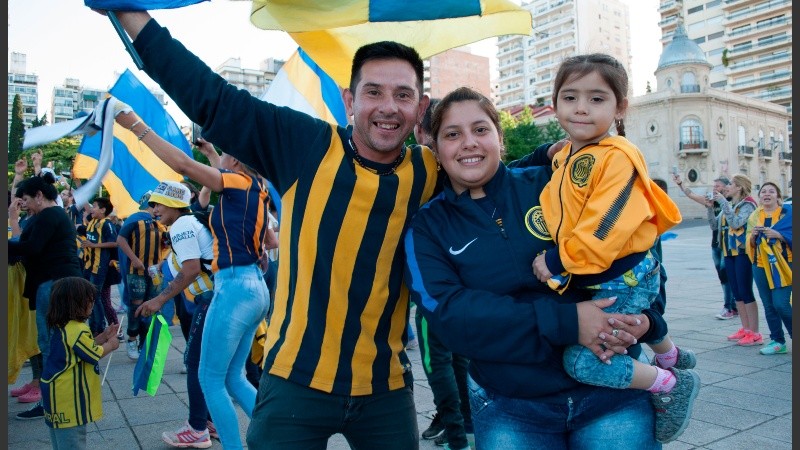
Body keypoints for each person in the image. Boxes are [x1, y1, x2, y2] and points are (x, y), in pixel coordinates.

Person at [96, 9, 441, 448]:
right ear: (349, 100)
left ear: (420, 108)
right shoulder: (307, 145)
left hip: (385, 389)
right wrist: (131, 14)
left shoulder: (431, 171)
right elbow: (214, 99)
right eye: (373, 92)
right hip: (294, 381)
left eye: (403, 95)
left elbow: (498, 179)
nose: (388, 106)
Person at [404, 86, 683, 449]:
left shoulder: (554, 182)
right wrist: (568, 322)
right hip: (510, 406)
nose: (469, 142)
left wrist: (649, 321)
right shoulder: (427, 227)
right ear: (436, 149)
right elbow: (452, 317)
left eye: (481, 129)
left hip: (613, 396)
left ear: (499, 137)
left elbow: (639, 251)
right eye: (452, 134)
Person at [530, 55, 697, 443]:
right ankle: (670, 354)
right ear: (555, 104)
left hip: (622, 277)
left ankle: (669, 383)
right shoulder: (567, 155)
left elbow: (605, 224)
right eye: (570, 97)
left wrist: (556, 260)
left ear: (620, 107)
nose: (581, 108)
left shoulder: (617, 156)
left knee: (582, 362)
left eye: (596, 99)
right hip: (603, 276)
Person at [115, 109, 272, 450]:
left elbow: (183, 166)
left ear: (236, 160)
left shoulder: (237, 182)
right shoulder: (258, 188)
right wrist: (214, 154)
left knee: (210, 379)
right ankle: (277, 441)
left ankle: (222, 440)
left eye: (225, 154)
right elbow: (271, 240)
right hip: (255, 287)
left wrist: (136, 126)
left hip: (233, 287)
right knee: (234, 377)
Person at [133, 181, 217, 448]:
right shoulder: (186, 223)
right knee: (213, 367)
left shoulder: (181, 225)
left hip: (211, 301)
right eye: (152, 205)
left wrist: (159, 299)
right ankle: (208, 420)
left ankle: (197, 428)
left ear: (173, 204)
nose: (154, 209)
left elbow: (191, 268)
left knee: (195, 363)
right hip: (216, 299)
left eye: (158, 204)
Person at [412, 98, 473, 450]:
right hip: (462, 280)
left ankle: (456, 433)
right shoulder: (460, 167)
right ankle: (462, 424)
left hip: (435, 287)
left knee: (437, 363)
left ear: (422, 132)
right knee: (458, 357)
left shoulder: (422, 168)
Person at [9, 175, 84, 420]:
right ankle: (57, 398)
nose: (24, 205)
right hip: (57, 283)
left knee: (52, 345)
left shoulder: (49, 215)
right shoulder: (51, 215)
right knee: (55, 343)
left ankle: (52, 401)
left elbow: (31, 247)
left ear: (39, 196)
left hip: (53, 284)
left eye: (26, 199)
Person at [41, 277, 120, 450]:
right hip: (69, 397)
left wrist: (103, 337)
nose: (92, 304)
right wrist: (111, 344)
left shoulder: (63, 326)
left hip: (55, 394)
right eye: (89, 300)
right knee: (72, 441)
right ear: (76, 304)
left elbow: (80, 349)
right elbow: (92, 354)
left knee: (60, 440)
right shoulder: (77, 329)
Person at [673, 175, 737, 319]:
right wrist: (680, 184)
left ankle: (728, 307)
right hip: (716, 242)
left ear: (726, 187)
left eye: (718, 186)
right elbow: (691, 194)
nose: (715, 189)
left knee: (725, 273)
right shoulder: (712, 201)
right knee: (722, 275)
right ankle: (733, 305)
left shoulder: (731, 201)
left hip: (728, 243)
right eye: (714, 186)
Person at [115, 190, 168, 360]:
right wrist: (135, 259)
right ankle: (132, 339)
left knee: (152, 305)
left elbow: (166, 244)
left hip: (154, 272)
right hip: (136, 271)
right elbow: (120, 239)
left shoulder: (161, 222)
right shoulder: (135, 219)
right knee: (136, 305)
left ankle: (145, 343)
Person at [711, 174, 760, 345]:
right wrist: (710, 207)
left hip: (743, 252)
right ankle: (745, 329)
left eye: (731, 183)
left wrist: (723, 202)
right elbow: (714, 225)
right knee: (737, 292)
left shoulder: (748, 204)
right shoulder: (733, 204)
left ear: (739, 187)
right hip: (729, 251)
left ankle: (755, 332)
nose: (727, 186)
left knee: (746, 291)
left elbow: (736, 223)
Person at [746, 182, 792, 355]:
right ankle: (777, 341)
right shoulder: (754, 216)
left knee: (781, 304)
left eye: (771, 191)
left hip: (784, 264)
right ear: (759, 197)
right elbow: (748, 242)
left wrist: (779, 235)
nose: (767, 194)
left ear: (778, 196)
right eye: (763, 191)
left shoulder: (788, 213)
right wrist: (753, 237)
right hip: (760, 265)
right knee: (768, 304)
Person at [81, 197, 120, 336]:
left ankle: (99, 328)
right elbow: (86, 207)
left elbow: (115, 243)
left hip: (99, 267)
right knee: (89, 297)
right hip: (88, 266)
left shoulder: (107, 224)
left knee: (95, 297)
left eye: (95, 206)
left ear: (103, 210)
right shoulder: (92, 221)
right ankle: (93, 327)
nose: (92, 209)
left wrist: (94, 245)